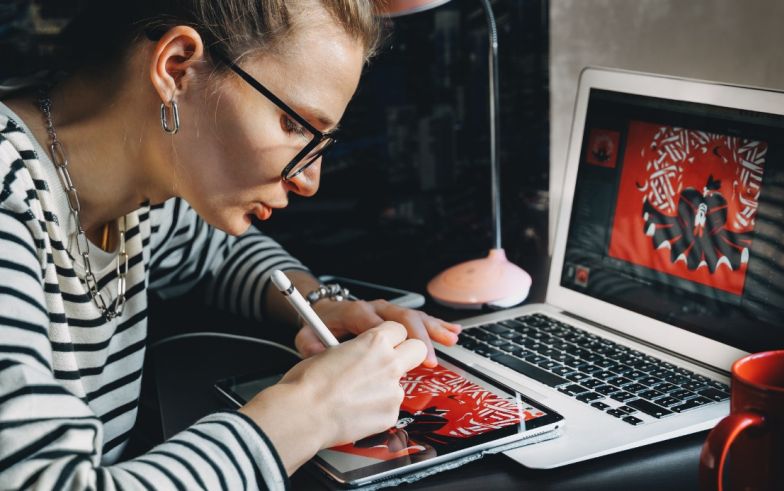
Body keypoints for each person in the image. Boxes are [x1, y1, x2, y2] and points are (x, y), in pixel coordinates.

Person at [0, 0, 463, 488]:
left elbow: (218, 255)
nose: (310, 181)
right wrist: (307, 415)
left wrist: (319, 304)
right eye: (296, 126)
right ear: (178, 67)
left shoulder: (136, 193)